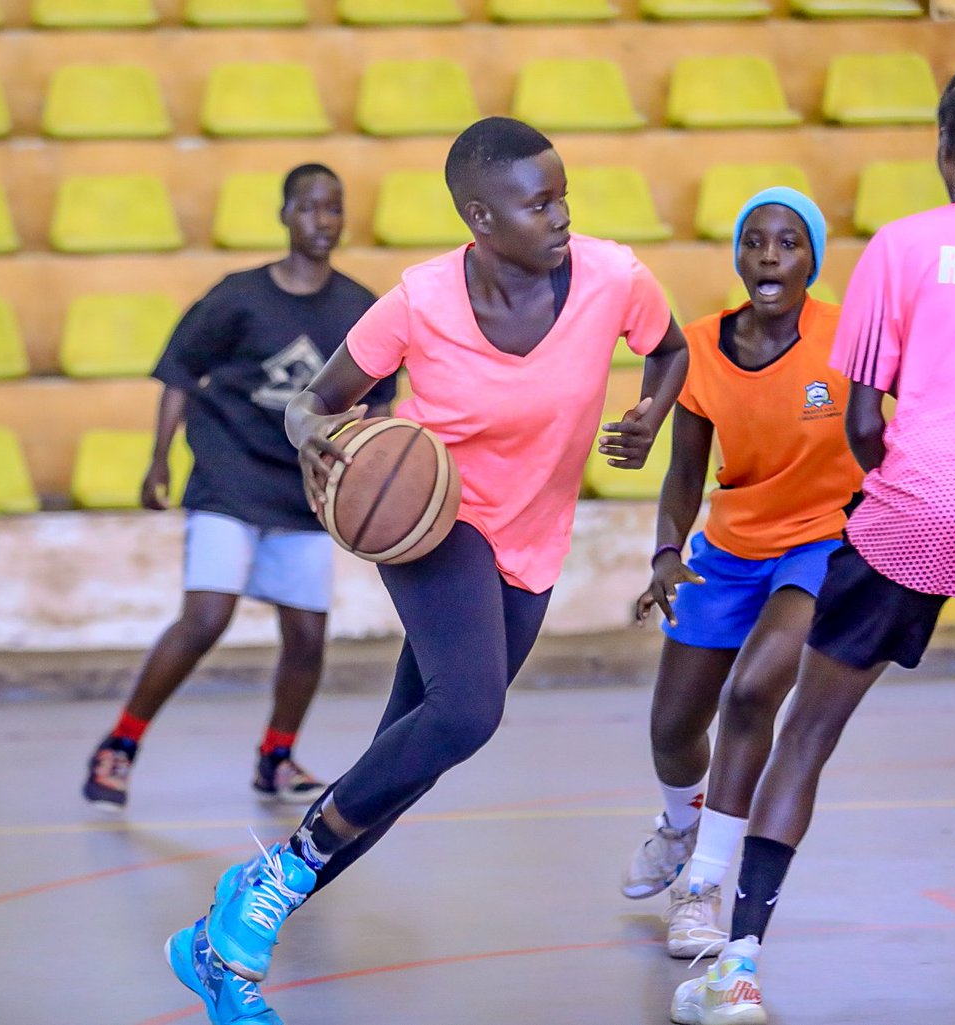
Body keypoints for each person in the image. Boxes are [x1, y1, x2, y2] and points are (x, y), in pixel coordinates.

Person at [164, 116, 690, 1024]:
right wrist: (320, 437)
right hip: (432, 522)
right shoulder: (418, 301)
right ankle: (272, 877)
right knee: (467, 711)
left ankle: (219, 953)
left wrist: (650, 410)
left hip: (532, 545)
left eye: (563, 194)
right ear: (482, 219)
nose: (562, 215)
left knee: (406, 763)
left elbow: (671, 349)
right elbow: (311, 402)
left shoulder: (613, 278)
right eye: (541, 202)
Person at [671, 42, 955, 1025]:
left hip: (910, 514)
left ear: (948, 148)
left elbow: (864, 424)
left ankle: (734, 970)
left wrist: (920, 495)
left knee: (808, 735)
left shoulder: (903, 247)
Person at [81, 164, 395, 812]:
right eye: (308, 208)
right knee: (206, 616)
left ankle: (276, 757)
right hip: (228, 475)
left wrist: (372, 477)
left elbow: (381, 402)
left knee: (307, 637)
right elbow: (180, 372)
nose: (322, 221)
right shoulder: (239, 296)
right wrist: (159, 459)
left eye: (333, 208)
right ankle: (120, 743)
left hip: (302, 488)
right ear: (285, 215)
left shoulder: (359, 307)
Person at [621, 188, 862, 960]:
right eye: (754, 241)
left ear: (812, 259)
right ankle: (682, 824)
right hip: (730, 550)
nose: (768, 255)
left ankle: (703, 889)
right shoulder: (697, 349)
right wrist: (666, 552)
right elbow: (683, 475)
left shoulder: (846, 339)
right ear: (737, 254)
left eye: (788, 243)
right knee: (671, 730)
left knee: (754, 690)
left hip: (824, 541)